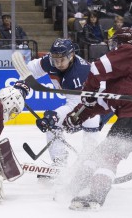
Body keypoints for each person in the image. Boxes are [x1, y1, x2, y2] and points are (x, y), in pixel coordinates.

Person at [61, 27, 132, 210]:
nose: (114, 49)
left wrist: (87, 91)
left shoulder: (131, 53)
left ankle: (95, 196)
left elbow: (96, 68)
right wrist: (74, 118)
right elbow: (98, 104)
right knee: (104, 154)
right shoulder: (123, 78)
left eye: (115, 44)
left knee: (107, 155)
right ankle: (75, 185)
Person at [26, 38, 101, 171]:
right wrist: (22, 83)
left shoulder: (80, 73)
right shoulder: (51, 61)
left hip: (96, 105)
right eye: (55, 59)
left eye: (62, 59)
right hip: (79, 103)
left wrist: (57, 114)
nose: (58, 63)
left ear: (71, 56)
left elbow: (78, 105)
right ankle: (59, 163)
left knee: (91, 122)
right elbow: (31, 69)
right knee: (51, 124)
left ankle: (90, 165)